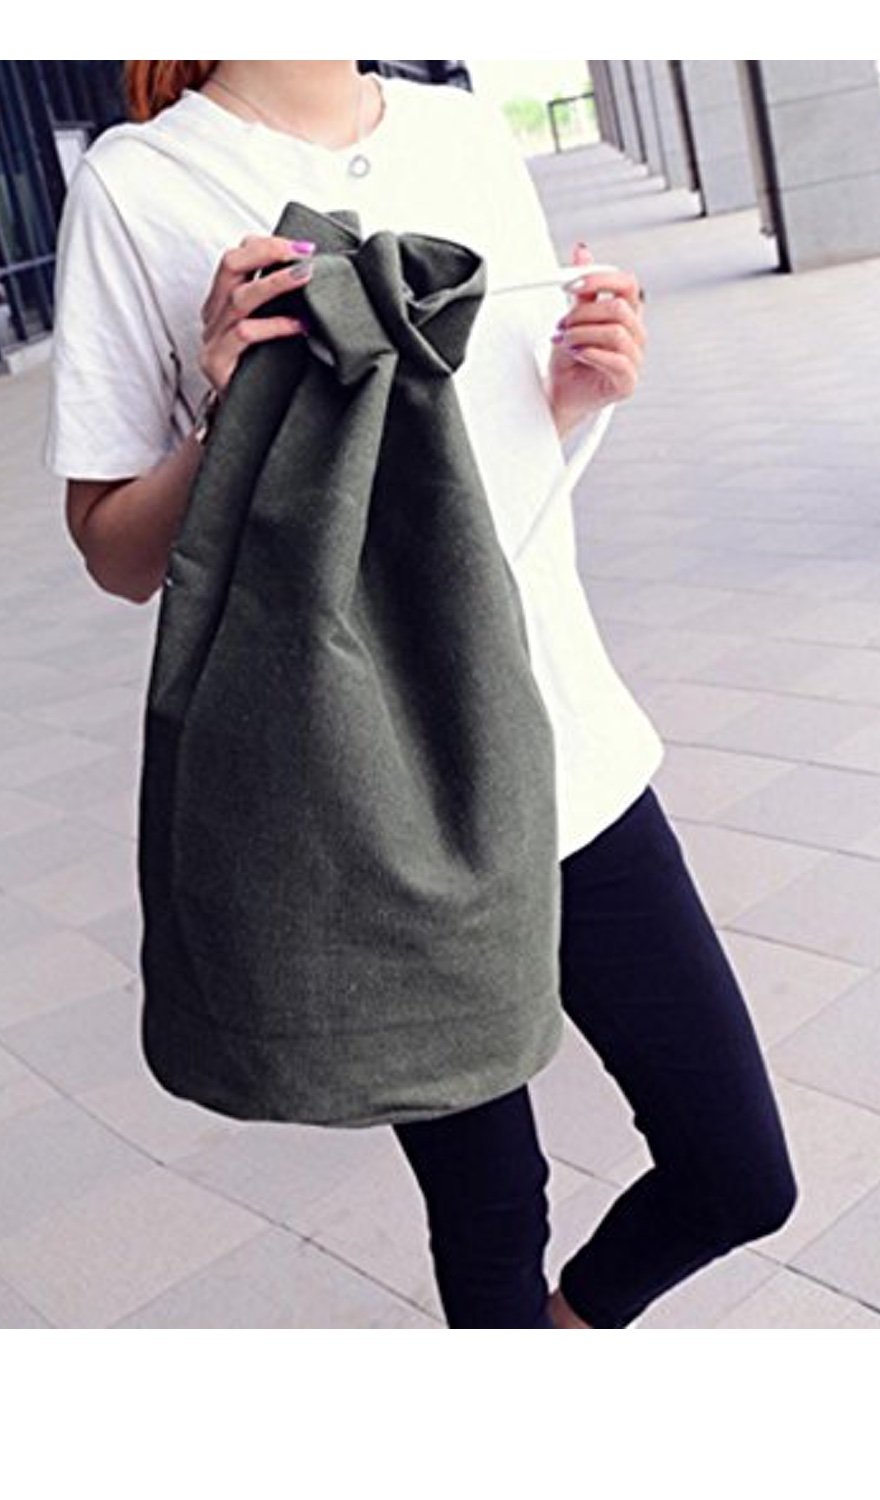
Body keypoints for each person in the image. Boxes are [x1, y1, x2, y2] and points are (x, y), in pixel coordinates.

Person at [42, 60, 799, 1329]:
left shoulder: (460, 134)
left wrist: (576, 389)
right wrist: (229, 406)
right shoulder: (141, 184)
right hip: (372, 797)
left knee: (736, 1174)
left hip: (569, 752)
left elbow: (487, 460)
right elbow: (114, 551)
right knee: (492, 1213)